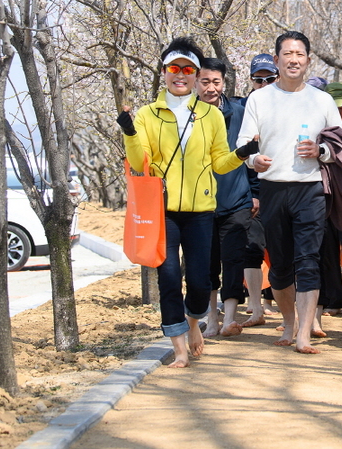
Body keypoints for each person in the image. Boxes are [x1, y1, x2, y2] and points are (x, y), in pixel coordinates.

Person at [117, 38, 257, 367]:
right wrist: (129, 133)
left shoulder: (209, 115)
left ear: (195, 75)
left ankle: (194, 324)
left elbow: (220, 162)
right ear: (164, 72)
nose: (180, 75)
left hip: (200, 212)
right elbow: (140, 164)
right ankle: (179, 347)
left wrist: (241, 154)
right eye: (174, 69)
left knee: (199, 281)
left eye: (187, 69)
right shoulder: (148, 115)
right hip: (162, 211)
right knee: (167, 279)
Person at [237, 31, 342, 355]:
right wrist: (255, 159)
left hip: (310, 188)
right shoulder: (259, 99)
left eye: (300, 54)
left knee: (308, 260)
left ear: (308, 60)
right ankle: (288, 323)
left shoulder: (321, 100)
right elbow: (244, 145)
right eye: (287, 54)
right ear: (276, 60)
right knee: (281, 265)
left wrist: (321, 150)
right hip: (272, 187)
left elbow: (341, 145)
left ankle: (304, 334)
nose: (294, 59)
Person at [196, 57, 257, 339]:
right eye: (205, 81)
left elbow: (254, 151)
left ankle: (230, 316)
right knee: (206, 262)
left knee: (234, 258)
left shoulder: (241, 111)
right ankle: (211, 318)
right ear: (196, 82)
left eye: (216, 82)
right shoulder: (187, 115)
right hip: (199, 203)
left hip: (236, 199)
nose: (210, 88)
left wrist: (255, 193)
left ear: (224, 83)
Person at [239, 53, 279, 320]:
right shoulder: (244, 109)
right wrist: (253, 194)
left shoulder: (291, 104)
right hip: (255, 192)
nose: (263, 84)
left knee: (284, 249)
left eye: (269, 79)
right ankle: (255, 306)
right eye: (258, 80)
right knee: (252, 248)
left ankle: (287, 306)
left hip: (287, 189)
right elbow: (239, 154)